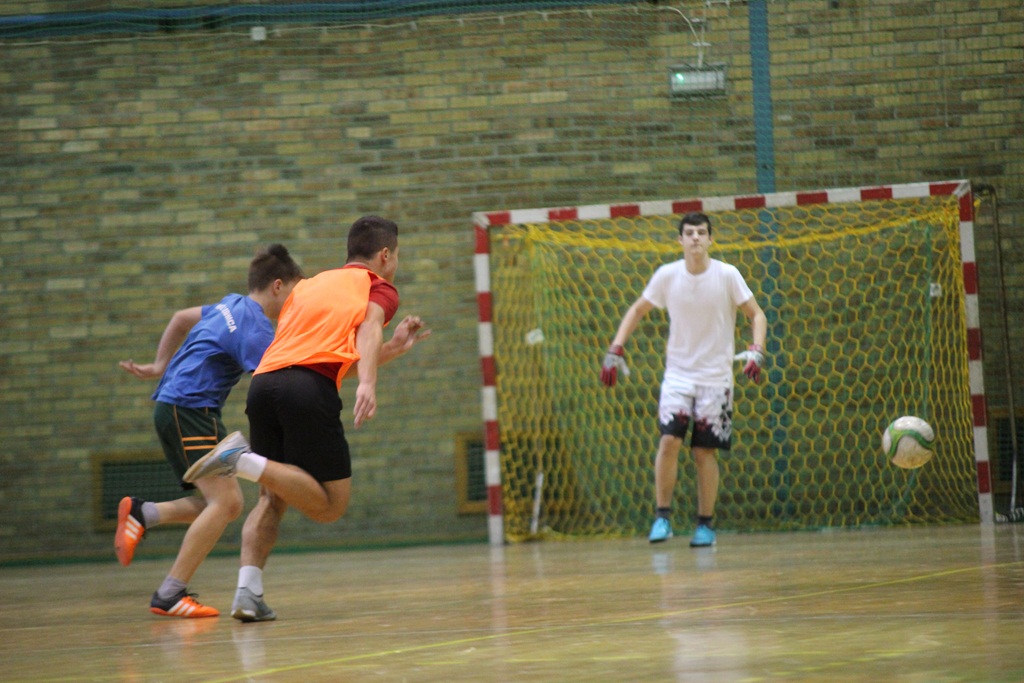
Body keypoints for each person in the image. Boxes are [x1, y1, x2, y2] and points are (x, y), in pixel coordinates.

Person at [182, 215, 431, 622]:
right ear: (385, 255)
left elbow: (333, 360)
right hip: (305, 389)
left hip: (264, 386)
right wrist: (369, 384)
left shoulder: (311, 286)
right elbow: (369, 328)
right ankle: (242, 460)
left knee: (273, 497)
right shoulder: (377, 286)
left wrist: (392, 350)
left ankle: (248, 593)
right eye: (397, 256)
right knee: (330, 505)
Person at [115, 244, 305, 618]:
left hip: (176, 407)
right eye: (294, 294)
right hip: (190, 410)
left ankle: (144, 513)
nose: (294, 304)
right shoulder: (255, 328)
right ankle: (169, 594)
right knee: (226, 502)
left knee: (223, 503)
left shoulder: (229, 305)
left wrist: (159, 364)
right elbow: (276, 385)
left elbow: (179, 318)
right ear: (278, 286)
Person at [600, 211, 767, 547]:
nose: (695, 238)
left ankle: (705, 525)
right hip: (677, 376)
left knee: (704, 452)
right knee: (669, 441)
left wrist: (757, 350)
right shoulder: (667, 275)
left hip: (716, 378)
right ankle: (662, 517)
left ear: (710, 239)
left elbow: (756, 314)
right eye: (689, 233)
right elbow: (638, 309)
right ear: (680, 240)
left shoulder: (727, 275)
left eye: (701, 232)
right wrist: (616, 347)